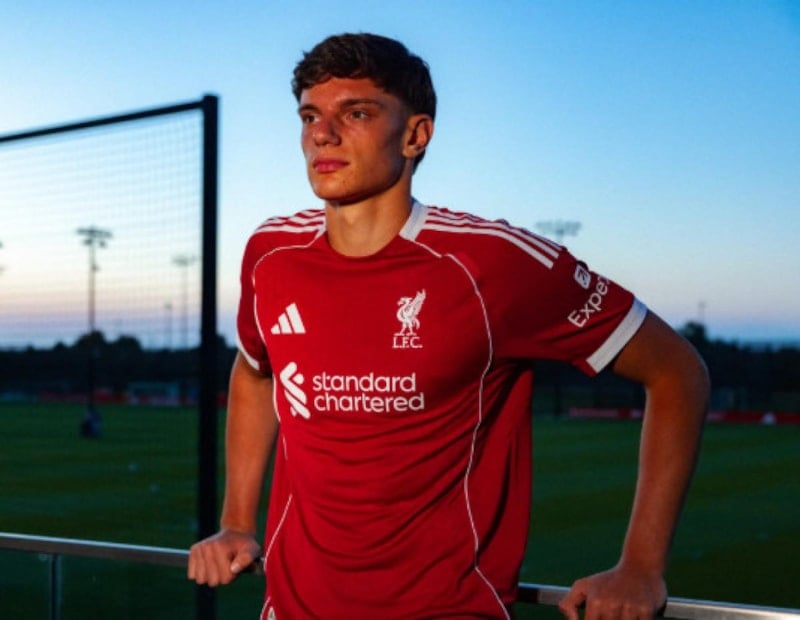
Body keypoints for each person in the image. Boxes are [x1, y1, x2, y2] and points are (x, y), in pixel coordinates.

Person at [188, 33, 709, 620]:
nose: (322, 134)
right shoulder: (271, 254)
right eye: (310, 116)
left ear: (416, 135)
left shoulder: (493, 264)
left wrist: (641, 565)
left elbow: (677, 371)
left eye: (356, 113)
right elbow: (255, 371)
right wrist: (236, 520)